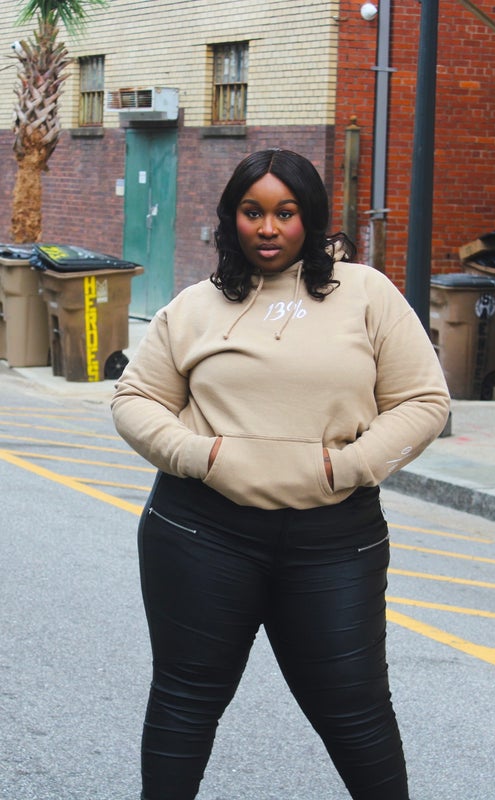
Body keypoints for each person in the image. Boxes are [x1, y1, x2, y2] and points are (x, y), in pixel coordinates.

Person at [111, 148, 450, 800]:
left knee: (356, 709)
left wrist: (346, 466)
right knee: (186, 700)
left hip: (334, 539)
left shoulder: (367, 294)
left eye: (285, 213)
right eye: (252, 212)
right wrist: (201, 457)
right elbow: (135, 399)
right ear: (231, 219)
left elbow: (423, 401)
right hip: (201, 533)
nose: (267, 228)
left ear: (310, 218)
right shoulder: (195, 306)